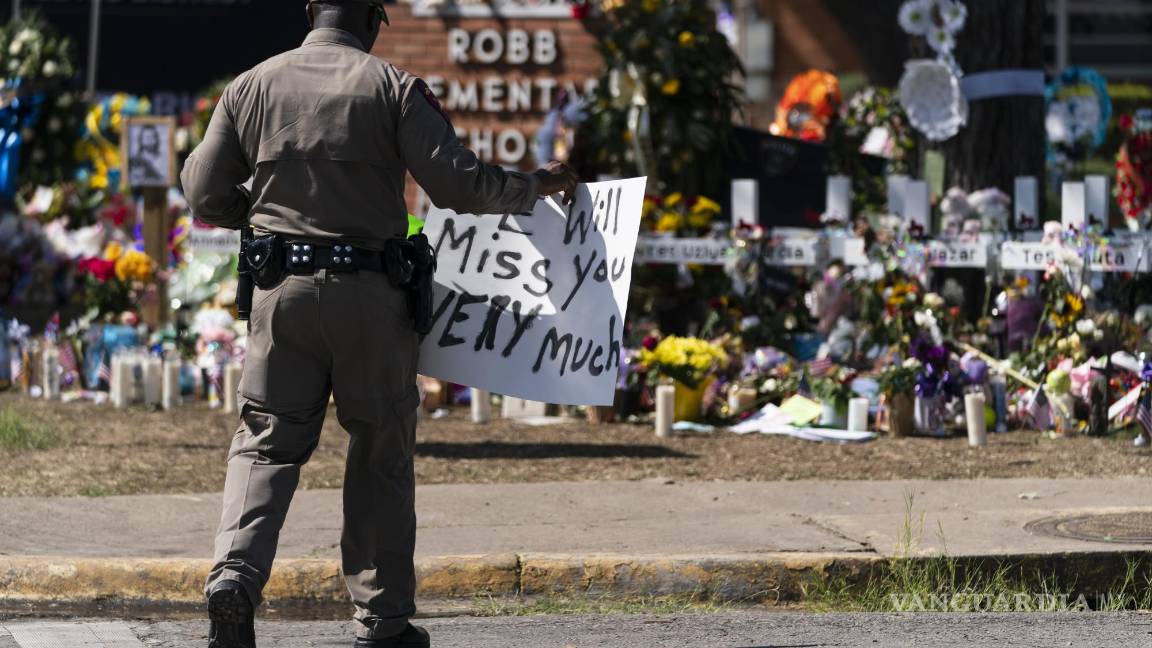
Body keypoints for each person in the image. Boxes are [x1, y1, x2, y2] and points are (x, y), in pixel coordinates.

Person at [180, 2, 578, 646]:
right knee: (378, 450)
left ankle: (234, 578)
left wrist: (259, 212)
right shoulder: (393, 87)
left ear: (311, 12)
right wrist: (532, 184)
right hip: (370, 297)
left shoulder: (251, 85)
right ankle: (383, 619)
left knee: (266, 442)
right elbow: (460, 186)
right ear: (370, 18)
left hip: (281, 293)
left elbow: (202, 192)